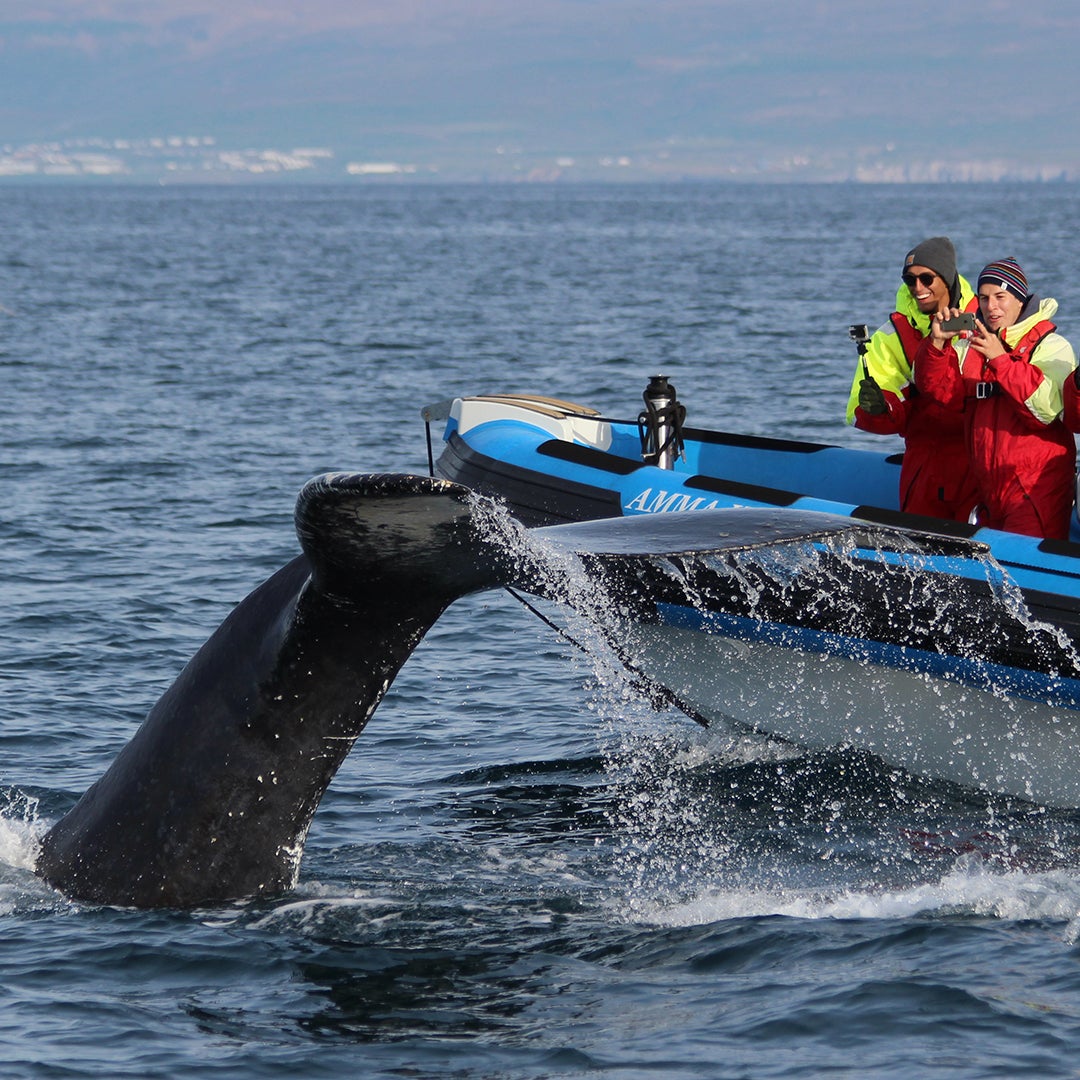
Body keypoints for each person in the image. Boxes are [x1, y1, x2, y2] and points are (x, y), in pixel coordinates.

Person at [914, 258, 1077, 540]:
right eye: (984, 298)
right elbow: (939, 392)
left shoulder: (1052, 346)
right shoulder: (972, 344)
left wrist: (1000, 360)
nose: (991, 307)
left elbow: (1045, 411)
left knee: (1024, 572)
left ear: (1019, 299)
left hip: (1035, 491)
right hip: (989, 491)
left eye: (1000, 297)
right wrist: (937, 344)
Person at [845, 236, 980, 520]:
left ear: (946, 278)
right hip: (924, 470)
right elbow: (865, 409)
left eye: (926, 278)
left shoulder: (986, 319)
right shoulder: (890, 336)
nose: (918, 288)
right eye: (909, 279)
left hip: (979, 467)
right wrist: (879, 408)